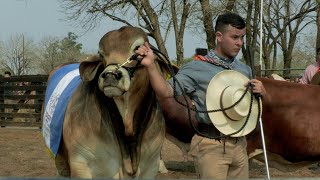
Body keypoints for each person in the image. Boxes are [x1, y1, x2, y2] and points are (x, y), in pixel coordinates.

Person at [136, 12, 268, 179]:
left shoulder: (244, 70)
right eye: (234, 37)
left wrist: (262, 93)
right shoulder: (196, 67)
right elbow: (166, 92)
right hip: (210, 144)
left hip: (240, 145)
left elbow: (252, 107)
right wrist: (151, 65)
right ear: (219, 36)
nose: (239, 43)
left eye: (242, 38)